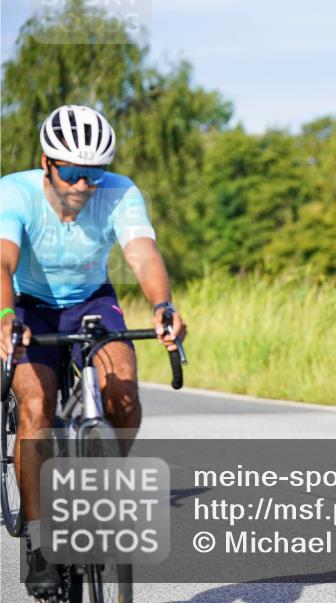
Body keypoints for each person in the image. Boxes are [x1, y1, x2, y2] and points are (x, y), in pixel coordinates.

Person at [0, 104, 187, 597]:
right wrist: (5, 317)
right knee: (35, 406)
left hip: (91, 300)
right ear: (46, 163)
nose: (83, 185)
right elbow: (2, 259)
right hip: (26, 303)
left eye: (94, 174)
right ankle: (41, 544)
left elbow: (141, 252)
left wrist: (162, 304)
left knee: (124, 393)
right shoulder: (14, 192)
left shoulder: (120, 192)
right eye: (72, 172)